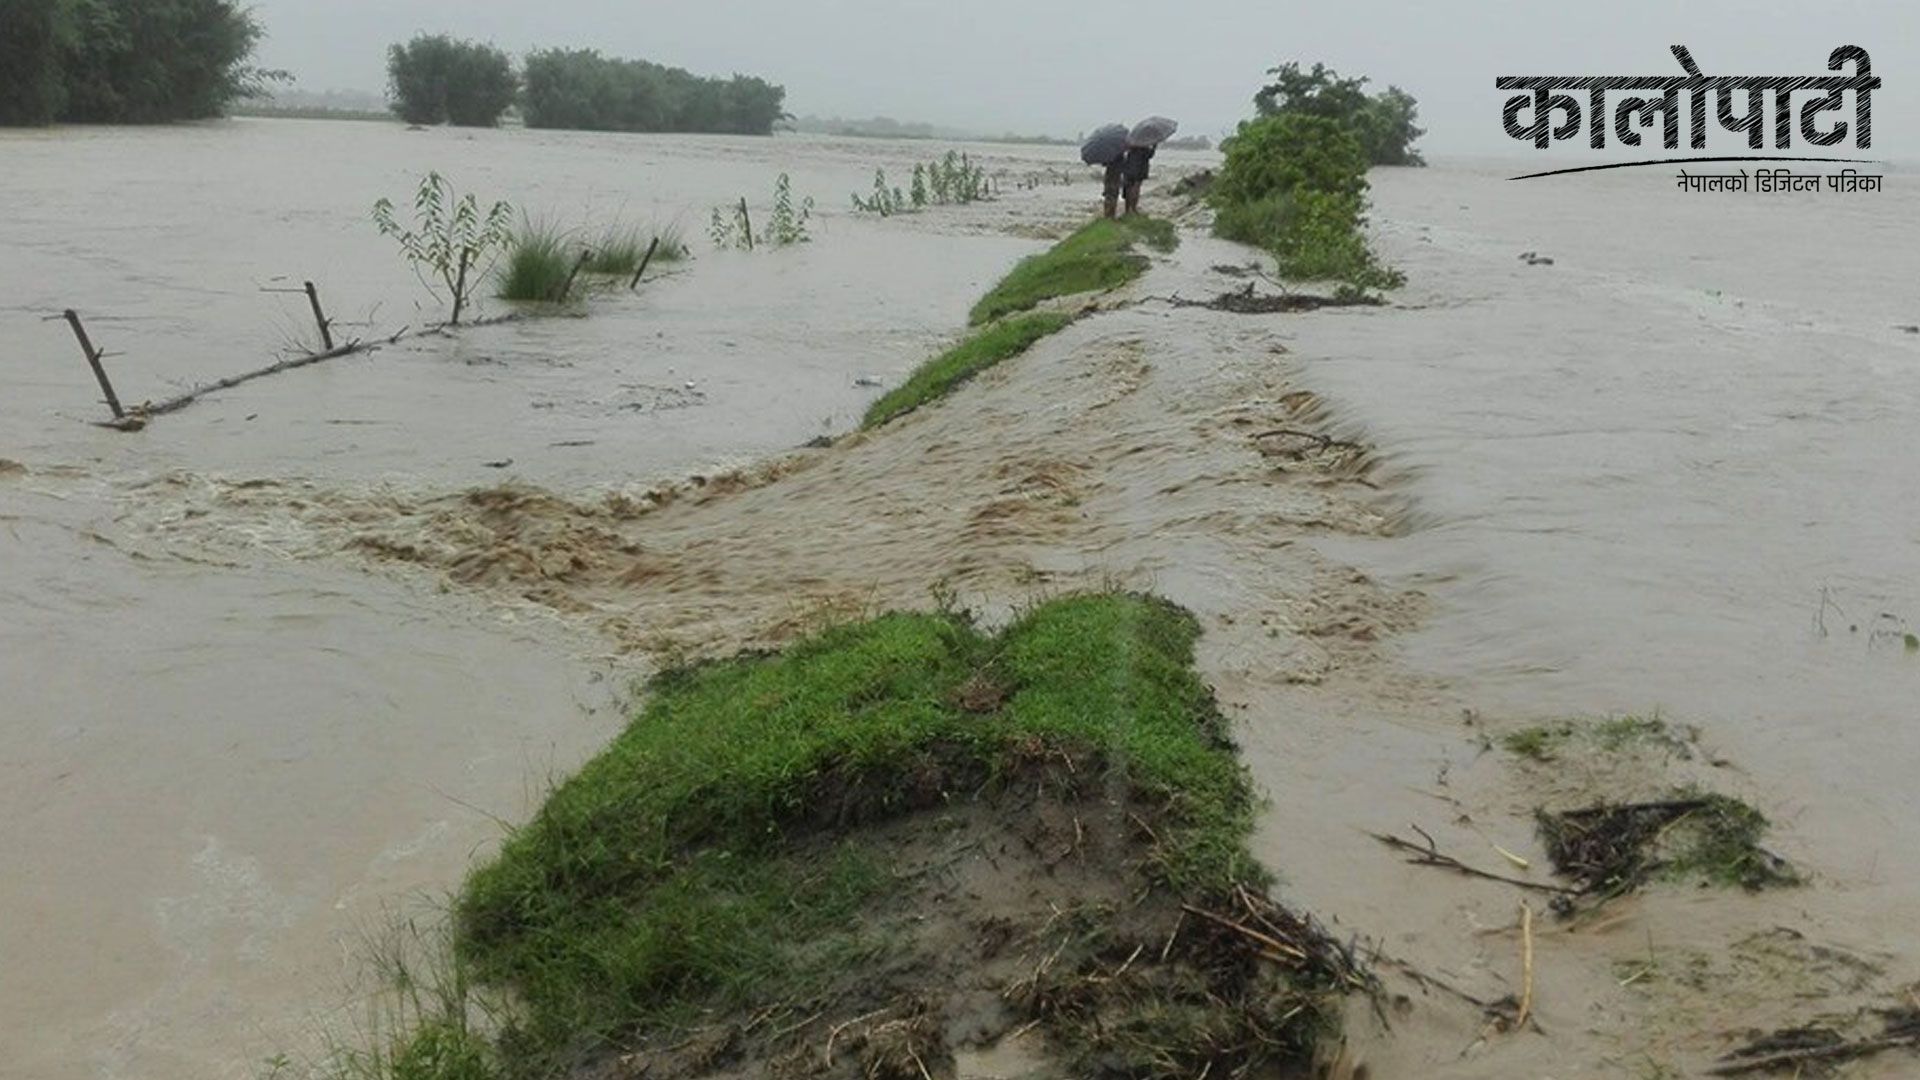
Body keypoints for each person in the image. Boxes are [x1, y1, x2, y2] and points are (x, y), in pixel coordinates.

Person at [1102, 143, 1155, 218]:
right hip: (1136, 171)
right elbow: (1149, 155)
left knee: (1117, 192)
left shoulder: (1130, 147)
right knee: (1131, 189)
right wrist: (1154, 146)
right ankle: (1130, 209)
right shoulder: (1143, 148)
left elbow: (1106, 163)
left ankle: (1114, 213)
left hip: (1126, 171)